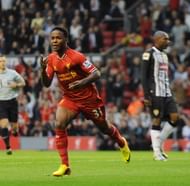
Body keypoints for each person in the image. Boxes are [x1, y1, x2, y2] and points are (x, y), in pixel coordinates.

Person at [40, 26, 131, 177]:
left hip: (89, 100)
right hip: (70, 99)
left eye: (58, 38)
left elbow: (97, 73)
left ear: (65, 40)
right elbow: (47, 83)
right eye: (52, 38)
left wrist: (81, 83)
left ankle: (121, 142)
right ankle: (64, 165)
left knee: (104, 128)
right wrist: (42, 70)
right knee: (59, 124)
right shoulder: (50, 59)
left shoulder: (77, 57)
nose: (54, 41)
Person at [141, 31, 181, 161]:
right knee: (157, 119)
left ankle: (158, 143)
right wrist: (147, 95)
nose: (168, 41)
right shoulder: (148, 54)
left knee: (175, 117)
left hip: (167, 92)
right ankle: (157, 152)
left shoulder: (165, 55)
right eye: (165, 39)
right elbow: (143, 76)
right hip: (155, 93)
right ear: (157, 39)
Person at [0, 55, 25, 154]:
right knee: (4, 124)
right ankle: (8, 147)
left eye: (4, 61)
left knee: (14, 127)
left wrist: (16, 85)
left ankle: (15, 131)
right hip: (1, 102)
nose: (2, 63)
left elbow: (23, 82)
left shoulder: (12, 73)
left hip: (12, 101)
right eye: (1, 61)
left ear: (6, 62)